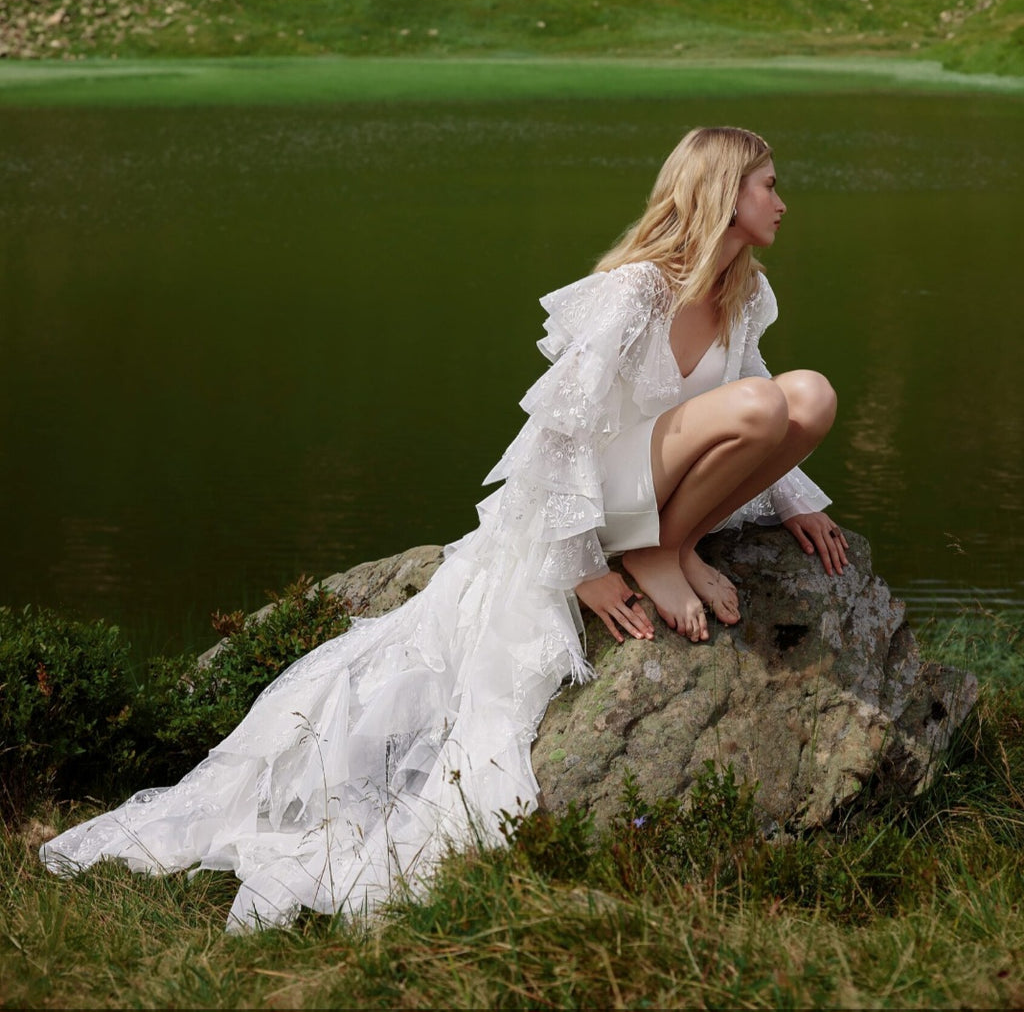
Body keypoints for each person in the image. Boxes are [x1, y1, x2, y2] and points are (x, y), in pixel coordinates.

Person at [41, 125, 844, 932]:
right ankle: (654, 550)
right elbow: (557, 436)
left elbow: (755, 384)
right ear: (722, 191)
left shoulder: (744, 289)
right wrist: (577, 566)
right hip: (601, 499)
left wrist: (794, 498)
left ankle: (675, 541)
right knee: (763, 407)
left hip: (662, 485)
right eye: (768, 183)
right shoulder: (635, 290)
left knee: (807, 398)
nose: (782, 200)